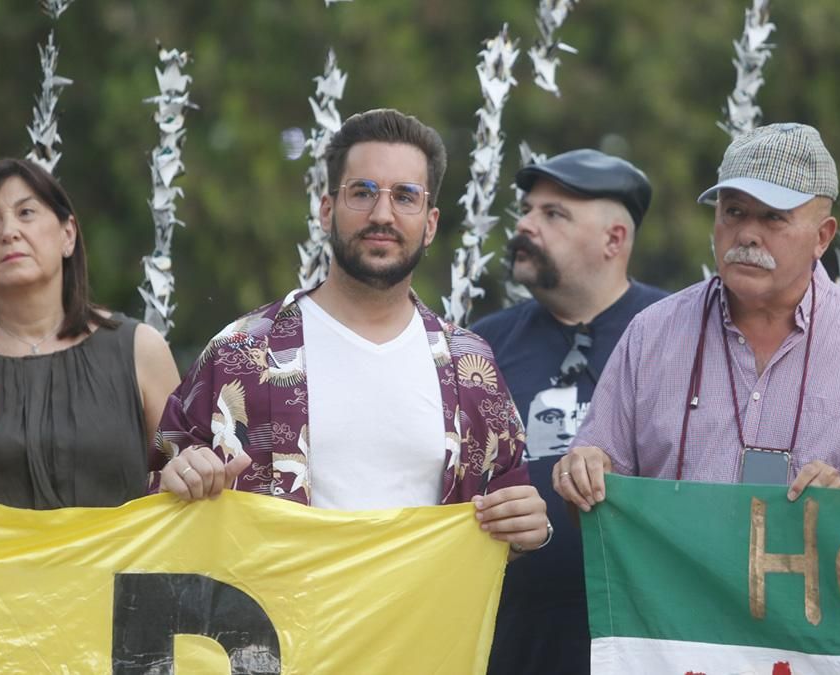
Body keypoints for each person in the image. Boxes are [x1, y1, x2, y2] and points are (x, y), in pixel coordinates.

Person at [151, 108, 550, 554]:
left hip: (427, 622)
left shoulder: (470, 367)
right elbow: (156, 499)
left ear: (431, 224)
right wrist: (177, 481)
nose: (382, 214)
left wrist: (528, 527)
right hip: (277, 618)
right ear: (326, 210)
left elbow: (509, 510)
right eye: (362, 192)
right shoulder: (241, 353)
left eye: (405, 196)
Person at [554, 122, 840, 512]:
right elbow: (593, 482)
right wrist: (582, 472)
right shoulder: (651, 334)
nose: (747, 234)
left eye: (773, 217)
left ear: (823, 237)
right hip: (674, 575)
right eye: (734, 211)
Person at [471, 149, 666, 675]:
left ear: (614, 240)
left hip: (645, 644)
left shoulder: (677, 333)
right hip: (510, 644)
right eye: (528, 210)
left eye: (554, 214)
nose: (527, 225)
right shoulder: (481, 347)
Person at [0, 158, 180, 508]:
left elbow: (180, 478)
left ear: (68, 234)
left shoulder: (140, 350)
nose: (9, 232)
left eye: (26, 213)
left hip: (117, 562)